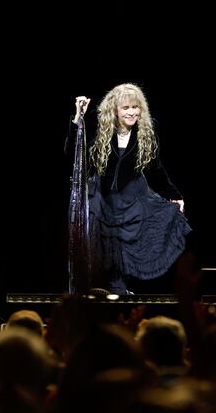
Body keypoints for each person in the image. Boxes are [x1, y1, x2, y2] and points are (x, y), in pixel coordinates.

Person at [66, 83, 191, 295]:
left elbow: (156, 171)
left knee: (122, 249)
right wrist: (78, 118)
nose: (132, 112)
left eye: (135, 107)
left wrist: (174, 196)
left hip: (130, 201)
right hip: (102, 200)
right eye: (126, 108)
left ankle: (118, 290)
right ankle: (96, 292)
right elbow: (73, 154)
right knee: (99, 248)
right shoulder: (100, 131)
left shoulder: (145, 136)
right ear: (115, 109)